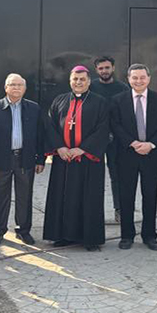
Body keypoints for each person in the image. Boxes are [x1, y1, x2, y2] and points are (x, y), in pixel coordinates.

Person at [43, 66, 111, 251]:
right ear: (70, 81)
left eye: (82, 79)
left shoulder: (100, 102)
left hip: (88, 160)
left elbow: (103, 129)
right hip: (63, 159)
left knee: (89, 199)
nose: (78, 82)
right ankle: (63, 236)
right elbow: (50, 126)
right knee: (62, 197)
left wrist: (83, 149)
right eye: (75, 79)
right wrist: (60, 147)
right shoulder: (59, 100)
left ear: (89, 81)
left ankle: (90, 238)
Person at [0, 73, 47, 246]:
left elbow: (40, 136)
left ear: (25, 88)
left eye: (19, 85)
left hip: (25, 159)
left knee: (24, 196)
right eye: (12, 85)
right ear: (5, 87)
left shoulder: (33, 108)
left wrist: (41, 159)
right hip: (1, 159)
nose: (16, 88)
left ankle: (23, 230)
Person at [109, 64, 157, 251]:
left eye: (142, 77)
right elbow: (115, 125)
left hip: (152, 155)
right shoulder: (117, 100)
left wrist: (150, 144)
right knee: (126, 197)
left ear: (149, 78)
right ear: (128, 79)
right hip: (127, 155)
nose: (138, 81)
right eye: (134, 78)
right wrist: (133, 143)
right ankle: (127, 235)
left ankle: (149, 235)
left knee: (150, 195)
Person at [89, 55, 129, 224]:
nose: (104, 71)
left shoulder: (123, 88)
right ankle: (93, 212)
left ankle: (120, 210)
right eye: (101, 68)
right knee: (93, 176)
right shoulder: (90, 87)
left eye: (107, 67)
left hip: (116, 140)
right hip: (95, 138)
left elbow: (127, 114)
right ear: (96, 70)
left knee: (117, 176)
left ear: (113, 68)